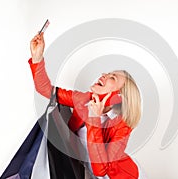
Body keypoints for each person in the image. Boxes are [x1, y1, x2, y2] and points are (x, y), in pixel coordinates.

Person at [29, 32, 143, 179]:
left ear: (118, 97)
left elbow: (100, 170)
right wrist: (37, 57)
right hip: (84, 171)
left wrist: (94, 118)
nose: (104, 75)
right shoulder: (83, 99)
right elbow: (45, 90)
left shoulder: (122, 125)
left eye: (112, 78)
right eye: (108, 73)